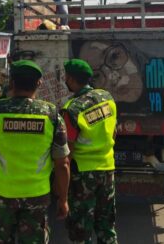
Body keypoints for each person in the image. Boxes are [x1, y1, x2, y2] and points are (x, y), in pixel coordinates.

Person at [0, 60, 71, 243]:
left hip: (3, 195)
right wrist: (63, 199)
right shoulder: (51, 114)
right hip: (38, 196)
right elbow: (63, 164)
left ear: (11, 83)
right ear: (39, 83)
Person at [60, 59, 118, 244]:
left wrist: (61, 186)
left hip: (83, 176)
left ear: (70, 78)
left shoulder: (72, 109)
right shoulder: (106, 97)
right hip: (107, 170)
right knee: (106, 227)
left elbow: (67, 152)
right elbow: (114, 131)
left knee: (80, 230)